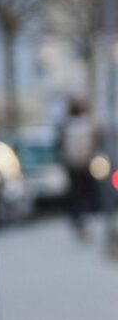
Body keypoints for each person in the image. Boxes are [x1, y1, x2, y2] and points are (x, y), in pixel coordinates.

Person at [61, 98, 99, 238]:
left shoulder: (67, 126)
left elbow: (63, 148)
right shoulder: (88, 124)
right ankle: (86, 219)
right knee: (87, 193)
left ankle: (79, 221)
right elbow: (94, 143)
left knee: (76, 195)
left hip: (73, 166)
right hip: (86, 164)